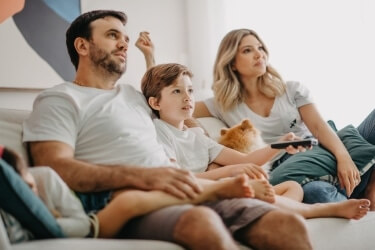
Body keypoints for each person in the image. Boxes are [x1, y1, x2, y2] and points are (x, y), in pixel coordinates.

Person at [22, 10, 313, 249]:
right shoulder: (60, 99)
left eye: (125, 38)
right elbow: (54, 166)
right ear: (82, 46)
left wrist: (270, 144)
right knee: (202, 223)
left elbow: (174, 102)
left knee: (287, 226)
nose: (124, 44)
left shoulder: (133, 97)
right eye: (112, 36)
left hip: (185, 187)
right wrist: (143, 175)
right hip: (128, 200)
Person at [141, 62, 370, 220]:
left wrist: (280, 145)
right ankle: (317, 210)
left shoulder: (196, 137)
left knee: (292, 187)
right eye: (177, 91)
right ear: (155, 103)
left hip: (222, 187)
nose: (188, 97)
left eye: (190, 91)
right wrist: (226, 173)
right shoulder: (158, 132)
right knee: (252, 187)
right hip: (198, 192)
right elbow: (176, 179)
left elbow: (246, 160)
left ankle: (269, 210)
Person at [193, 28, 375, 209]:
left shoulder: (291, 89)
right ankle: (357, 197)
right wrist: (200, 134)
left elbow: (319, 128)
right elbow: (180, 108)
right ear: (232, 63)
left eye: (260, 48)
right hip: (292, 169)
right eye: (247, 50)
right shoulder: (222, 105)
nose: (259, 54)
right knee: (316, 193)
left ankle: (368, 184)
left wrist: (343, 157)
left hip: (323, 151)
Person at [0, 145, 258, 238]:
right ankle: (211, 191)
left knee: (136, 194)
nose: (30, 196)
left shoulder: (44, 177)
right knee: (130, 201)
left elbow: (78, 220)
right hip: (89, 221)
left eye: (29, 187)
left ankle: (212, 190)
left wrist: (52, 216)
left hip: (81, 206)